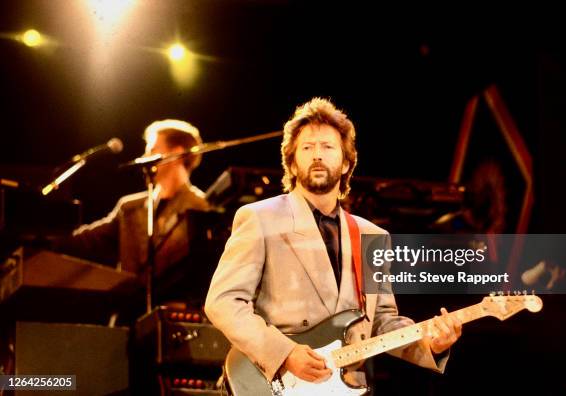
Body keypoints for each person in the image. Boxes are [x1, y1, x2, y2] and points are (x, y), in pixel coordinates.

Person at [204, 98, 462, 389]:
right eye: (307, 147)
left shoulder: (373, 237)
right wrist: (284, 353)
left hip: (342, 385)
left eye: (327, 147)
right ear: (291, 161)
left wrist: (431, 342)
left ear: (346, 163)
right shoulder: (259, 217)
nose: (317, 155)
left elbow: (381, 322)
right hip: (274, 382)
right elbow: (223, 303)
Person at [55, 119, 214, 302]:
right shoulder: (129, 208)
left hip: (177, 311)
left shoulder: (202, 207)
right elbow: (89, 240)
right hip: (129, 313)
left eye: (152, 149)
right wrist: (47, 243)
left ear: (177, 153)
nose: (145, 155)